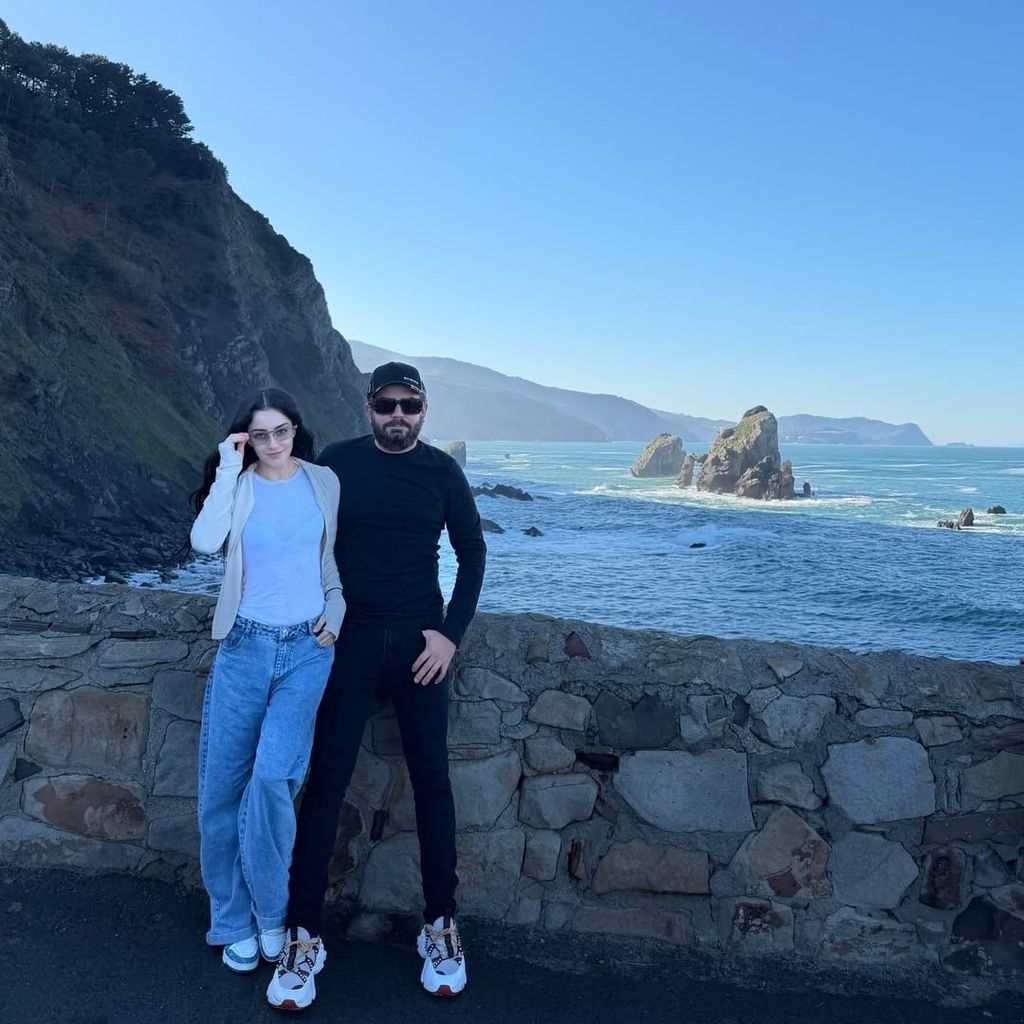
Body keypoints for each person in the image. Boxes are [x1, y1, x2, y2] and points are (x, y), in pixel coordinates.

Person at [266, 362, 486, 1011]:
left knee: (432, 785)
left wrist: (450, 634)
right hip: (348, 645)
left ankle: (440, 927)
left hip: (420, 647)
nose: (398, 415)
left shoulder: (443, 473)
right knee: (326, 784)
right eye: (386, 404)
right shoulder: (336, 466)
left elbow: (472, 552)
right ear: (369, 408)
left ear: (423, 411)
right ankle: (304, 939)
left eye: (409, 406)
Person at [189, 388, 344, 975]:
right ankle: (230, 919)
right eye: (260, 435)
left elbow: (326, 558)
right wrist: (230, 465)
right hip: (245, 647)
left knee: (274, 776)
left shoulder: (323, 482)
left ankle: (273, 913)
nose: (273, 444)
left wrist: (337, 603)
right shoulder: (241, 484)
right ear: (245, 438)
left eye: (282, 432)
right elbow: (205, 541)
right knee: (222, 788)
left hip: (309, 649)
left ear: (296, 431)